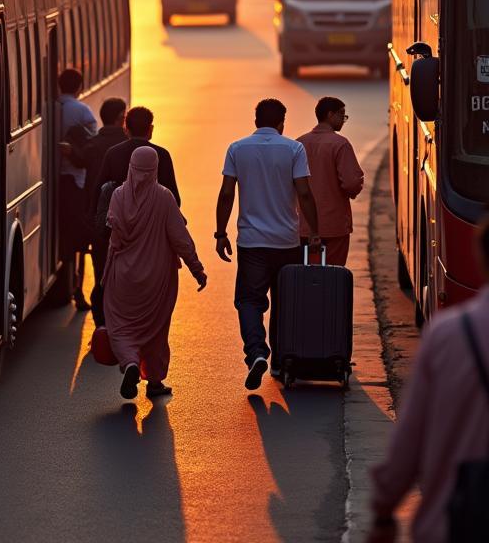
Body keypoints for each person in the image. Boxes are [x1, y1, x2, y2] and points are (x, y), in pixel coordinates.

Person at [367, 219, 489, 543]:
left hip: (455, 522)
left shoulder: (449, 335)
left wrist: (383, 510)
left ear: (481, 256)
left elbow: (409, 441)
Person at [214, 98, 321, 390]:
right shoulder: (293, 149)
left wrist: (220, 233)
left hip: (252, 242)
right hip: (287, 241)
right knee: (285, 302)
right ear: (281, 122)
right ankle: (280, 361)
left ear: (255, 120)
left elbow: (226, 194)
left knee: (249, 301)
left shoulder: (237, 149)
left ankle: (257, 353)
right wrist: (313, 232)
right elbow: (305, 194)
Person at [104, 146, 207, 400]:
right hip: (157, 278)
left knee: (120, 326)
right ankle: (155, 380)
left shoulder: (118, 196)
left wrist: (105, 276)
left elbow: (114, 241)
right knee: (156, 329)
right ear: (155, 169)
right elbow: (180, 239)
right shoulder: (164, 197)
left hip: (123, 277)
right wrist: (196, 268)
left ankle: (129, 363)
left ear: (131, 166)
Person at [296, 96, 364, 266]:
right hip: (334, 225)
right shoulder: (340, 144)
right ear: (329, 114)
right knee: (333, 276)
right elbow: (351, 183)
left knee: (305, 276)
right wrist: (354, 190)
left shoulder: (299, 143)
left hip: (303, 225)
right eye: (341, 115)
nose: (343, 120)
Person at [82, 97, 128, 325]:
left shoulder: (93, 144)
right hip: (127, 222)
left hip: (100, 223)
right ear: (121, 118)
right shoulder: (129, 146)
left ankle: (101, 325)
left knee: (101, 272)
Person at [57, 68, 98, 309]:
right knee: (80, 240)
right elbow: (91, 148)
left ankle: (68, 283)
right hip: (76, 181)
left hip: (56, 180)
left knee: (65, 237)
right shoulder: (82, 111)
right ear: (80, 86)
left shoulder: (51, 107)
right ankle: (77, 289)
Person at [94, 106, 182, 207]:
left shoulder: (113, 153)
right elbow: (174, 199)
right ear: (150, 129)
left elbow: (99, 191)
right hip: (153, 218)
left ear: (126, 129)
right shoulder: (162, 154)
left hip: (120, 217)